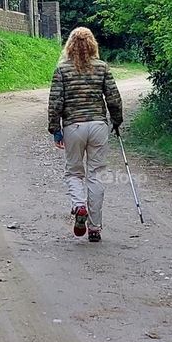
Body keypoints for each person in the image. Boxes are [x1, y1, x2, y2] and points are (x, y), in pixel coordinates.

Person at [47, 27, 124, 242]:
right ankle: (95, 228)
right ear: (92, 45)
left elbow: (55, 102)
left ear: (70, 45)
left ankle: (79, 205)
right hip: (98, 125)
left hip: (74, 126)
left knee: (73, 172)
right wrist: (116, 121)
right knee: (96, 174)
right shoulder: (102, 68)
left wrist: (55, 129)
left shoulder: (62, 70)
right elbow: (113, 98)